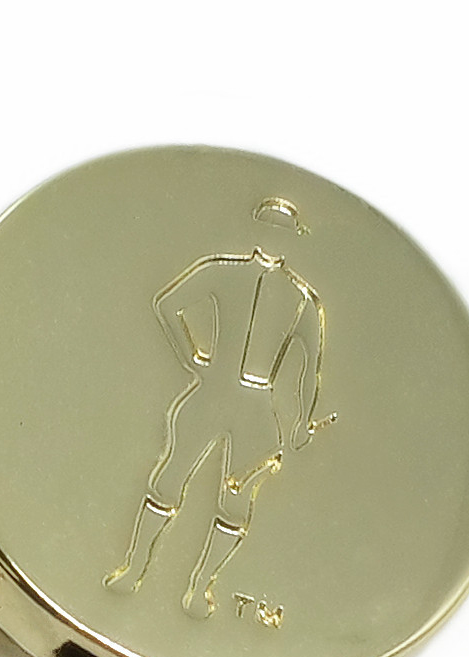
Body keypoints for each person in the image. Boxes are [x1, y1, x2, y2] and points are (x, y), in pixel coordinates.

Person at [104, 202, 332, 618]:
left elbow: (309, 368)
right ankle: (134, 570)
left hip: (255, 410)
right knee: (169, 479)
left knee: (235, 505)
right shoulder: (227, 272)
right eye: (270, 230)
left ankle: (200, 589)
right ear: (259, 232)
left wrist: (300, 421)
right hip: (212, 393)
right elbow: (167, 304)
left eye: (282, 234)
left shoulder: (300, 301)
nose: (274, 240)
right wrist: (192, 357)